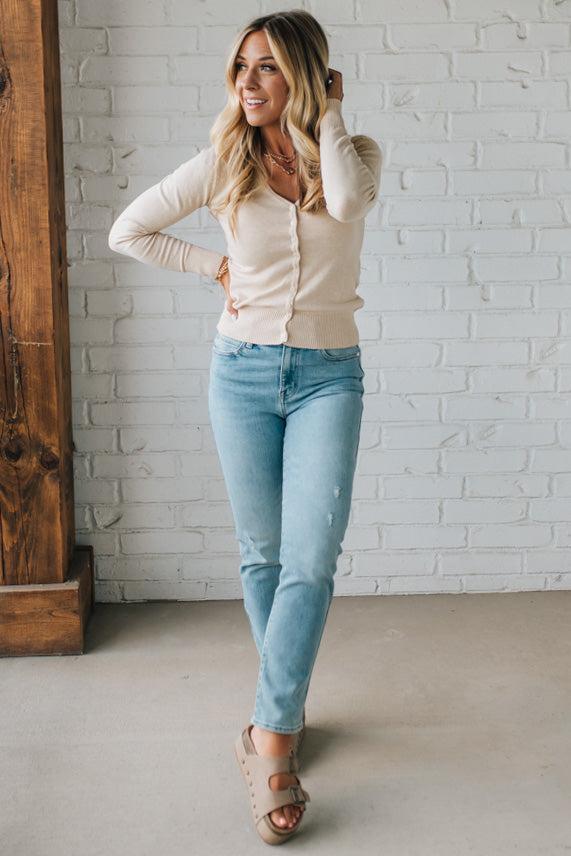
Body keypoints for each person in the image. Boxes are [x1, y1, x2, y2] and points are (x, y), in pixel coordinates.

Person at [108, 9, 382, 845]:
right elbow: (129, 231)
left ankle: (270, 744)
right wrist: (210, 264)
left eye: (266, 68)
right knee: (262, 556)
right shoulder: (223, 159)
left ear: (304, 74)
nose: (247, 84)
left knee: (310, 559)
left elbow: (344, 200)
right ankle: (283, 714)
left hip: (329, 376)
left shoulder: (356, 155)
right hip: (241, 375)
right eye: (241, 68)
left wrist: (328, 115)